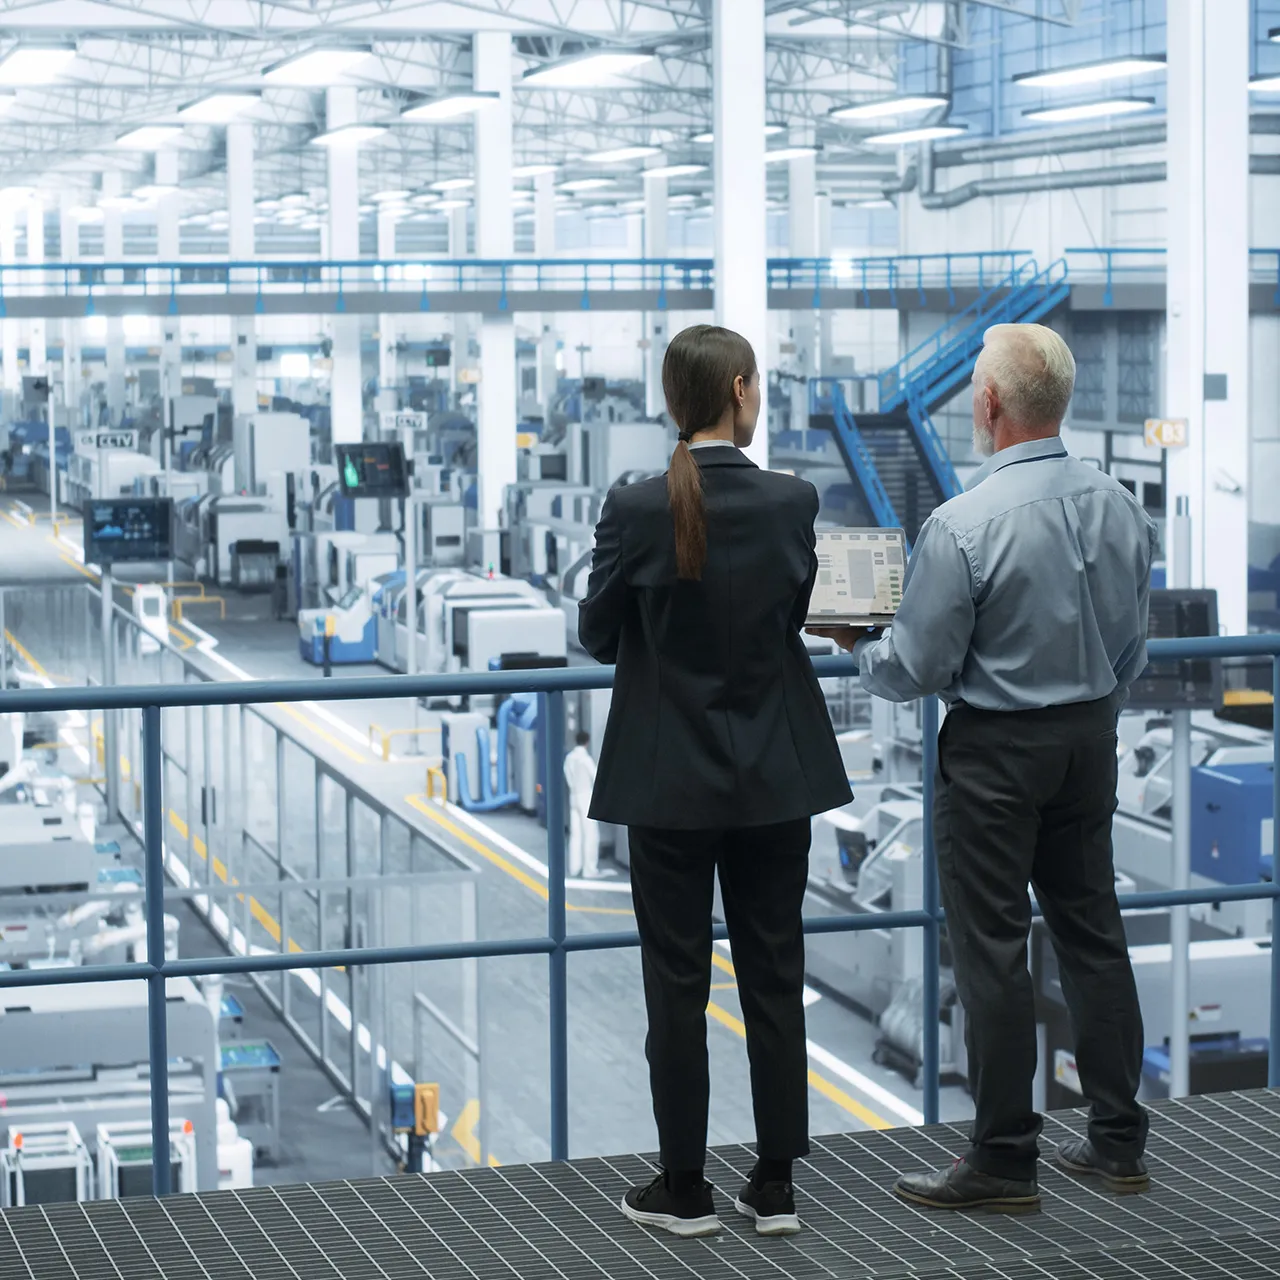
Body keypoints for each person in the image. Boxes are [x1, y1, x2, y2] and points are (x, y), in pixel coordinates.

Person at [815, 323, 1157, 1213]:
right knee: (1093, 936)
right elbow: (1134, 644)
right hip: (1089, 743)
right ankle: (1119, 1142)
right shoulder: (1121, 504)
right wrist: (1092, 712)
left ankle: (1005, 1159)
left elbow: (916, 668)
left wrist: (859, 645)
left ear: (991, 403)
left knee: (993, 953)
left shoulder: (961, 525)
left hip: (997, 758)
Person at [579, 324, 851, 1239]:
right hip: (775, 779)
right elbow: (803, 611)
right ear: (740, 390)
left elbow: (596, 631)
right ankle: (774, 1187)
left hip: (669, 787)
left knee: (677, 985)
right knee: (774, 974)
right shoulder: (793, 499)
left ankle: (684, 1188)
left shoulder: (637, 506)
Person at [563, 730, 601, 878]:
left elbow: (568, 776)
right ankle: (589, 870)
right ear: (587, 742)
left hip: (573, 796)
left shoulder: (570, 758)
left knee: (575, 834)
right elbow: (596, 776)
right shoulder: (585, 759)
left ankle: (574, 867)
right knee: (591, 834)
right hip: (586, 796)